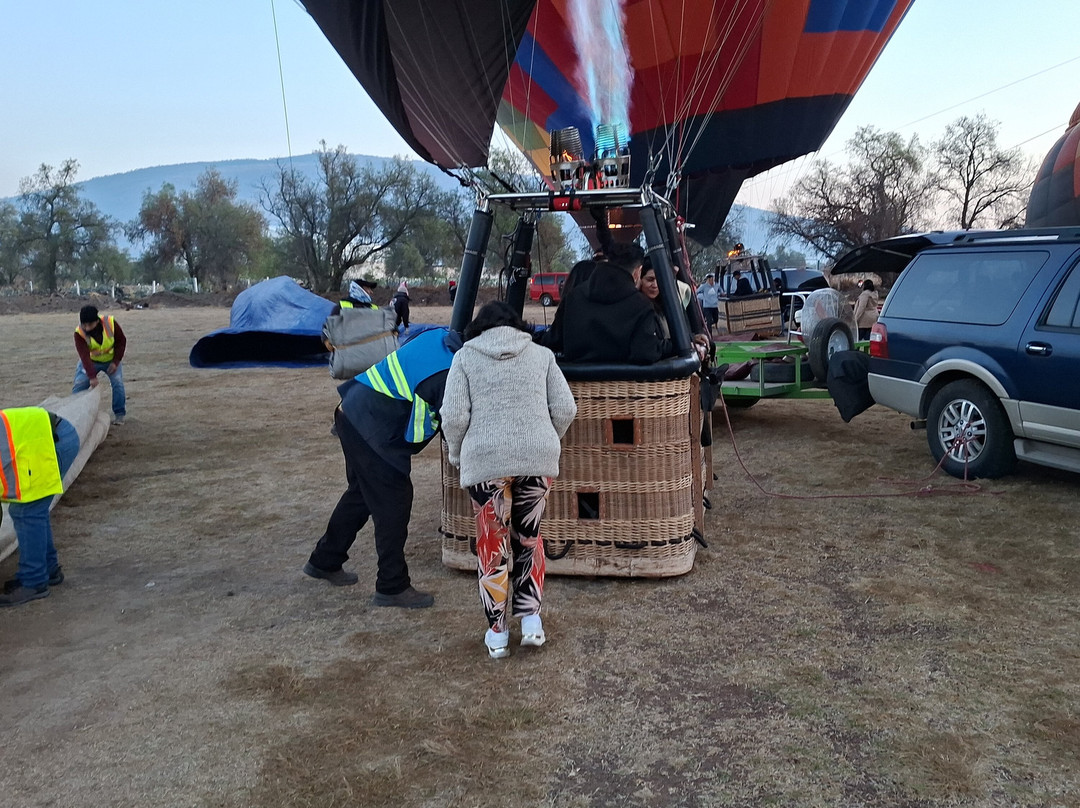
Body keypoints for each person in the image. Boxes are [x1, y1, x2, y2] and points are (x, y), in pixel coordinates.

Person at [440, 302, 577, 658]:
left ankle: (497, 633)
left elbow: (453, 416)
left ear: (479, 328)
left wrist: (457, 454)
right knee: (529, 540)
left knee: (492, 546)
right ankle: (531, 621)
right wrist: (547, 440)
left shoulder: (465, 358)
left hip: (485, 462)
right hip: (537, 458)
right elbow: (566, 408)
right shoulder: (542, 355)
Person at [303, 328, 462, 608]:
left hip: (350, 409)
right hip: (372, 426)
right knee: (394, 501)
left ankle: (325, 559)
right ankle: (392, 585)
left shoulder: (439, 336)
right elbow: (435, 430)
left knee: (362, 494)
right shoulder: (447, 376)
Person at [0, 407, 80, 607]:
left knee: (27, 512)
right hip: (51, 436)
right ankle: (48, 569)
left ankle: (34, 581)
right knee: (32, 512)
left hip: (50, 442)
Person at [552, 242, 671, 364]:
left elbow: (553, 341)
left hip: (574, 381)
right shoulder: (642, 305)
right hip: (622, 382)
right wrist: (670, 346)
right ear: (637, 272)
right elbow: (645, 353)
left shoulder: (573, 297)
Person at [72, 305, 127, 425]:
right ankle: (74, 413)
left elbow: (121, 342)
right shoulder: (79, 333)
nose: (86, 328)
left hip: (111, 360)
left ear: (97, 321)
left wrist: (115, 362)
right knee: (79, 386)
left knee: (117, 383)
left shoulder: (111, 323)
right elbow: (84, 356)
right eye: (84, 324)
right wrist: (91, 376)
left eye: (90, 325)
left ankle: (119, 415)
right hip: (90, 361)